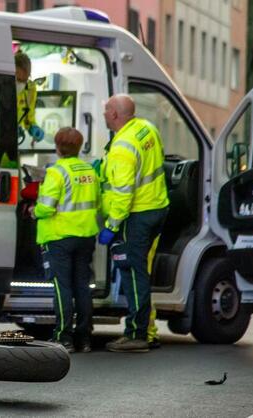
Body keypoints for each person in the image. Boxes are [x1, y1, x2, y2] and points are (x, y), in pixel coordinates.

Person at [97, 94, 169, 353]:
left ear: (115, 115)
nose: (104, 114)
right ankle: (148, 331)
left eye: (106, 110)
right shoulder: (146, 128)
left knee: (132, 272)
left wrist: (111, 226)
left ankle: (137, 334)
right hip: (157, 207)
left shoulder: (122, 146)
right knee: (141, 271)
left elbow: (123, 193)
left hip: (136, 215)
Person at [29, 127, 100, 353]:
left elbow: (47, 207)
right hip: (86, 235)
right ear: (79, 147)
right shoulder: (90, 171)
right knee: (82, 286)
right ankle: (85, 338)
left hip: (59, 236)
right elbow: (96, 201)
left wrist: (33, 210)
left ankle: (63, 337)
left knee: (62, 287)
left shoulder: (56, 173)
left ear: (58, 148)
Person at [15, 51, 45, 143]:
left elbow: (29, 116)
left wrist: (33, 127)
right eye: (18, 79)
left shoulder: (30, 89)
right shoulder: (1, 86)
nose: (21, 84)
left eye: (24, 80)